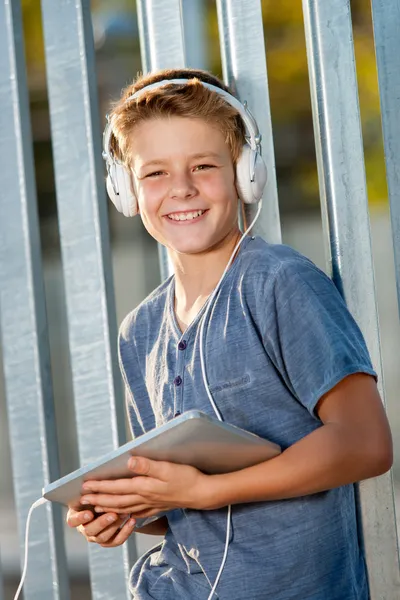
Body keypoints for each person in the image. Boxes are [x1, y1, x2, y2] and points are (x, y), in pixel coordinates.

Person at [66, 68, 393, 599]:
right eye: (154, 174)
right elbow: (179, 506)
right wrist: (127, 512)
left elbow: (366, 444)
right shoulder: (140, 331)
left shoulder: (279, 283)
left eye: (203, 165)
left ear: (245, 172)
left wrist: (207, 490)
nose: (182, 189)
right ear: (125, 189)